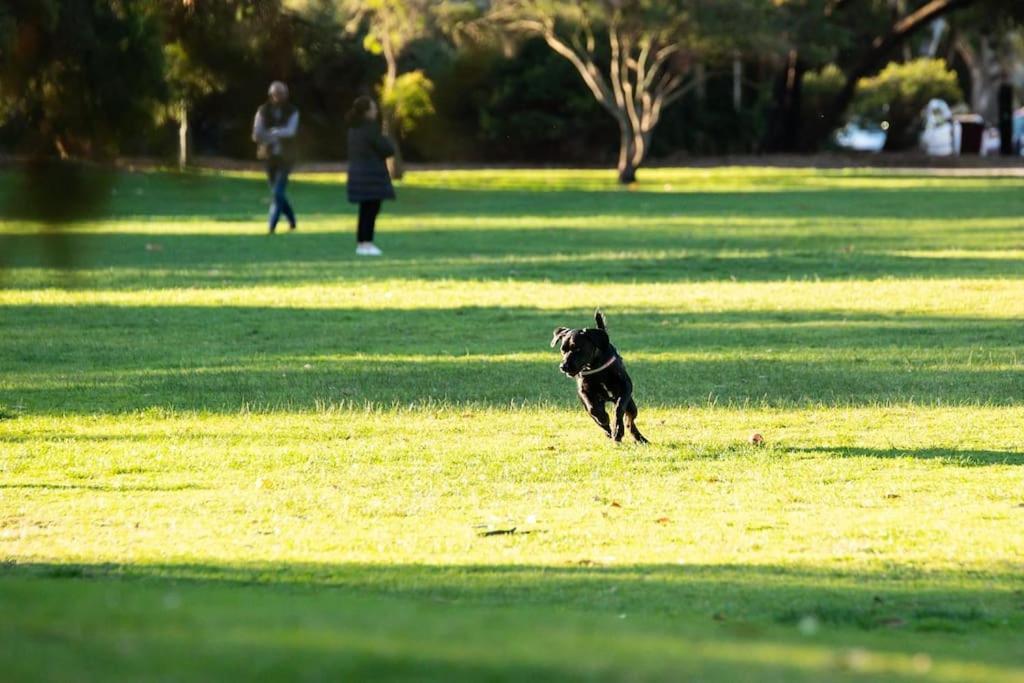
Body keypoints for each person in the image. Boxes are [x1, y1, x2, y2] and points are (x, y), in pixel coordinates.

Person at [346, 96, 394, 256]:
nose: (376, 111)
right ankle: (367, 242)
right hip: (372, 175)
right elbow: (387, 149)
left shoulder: (353, 129)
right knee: (371, 210)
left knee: (365, 210)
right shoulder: (371, 129)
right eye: (373, 108)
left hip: (358, 174)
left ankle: (362, 243)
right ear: (367, 112)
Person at [252, 81, 299, 234]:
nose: (279, 97)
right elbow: (257, 132)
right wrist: (274, 134)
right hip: (269, 157)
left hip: (286, 157)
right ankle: (292, 221)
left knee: (278, 192)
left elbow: (291, 131)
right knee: (276, 192)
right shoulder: (262, 111)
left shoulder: (292, 111)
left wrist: (273, 132)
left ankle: (271, 225)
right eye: (276, 94)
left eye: (282, 93)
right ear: (271, 95)